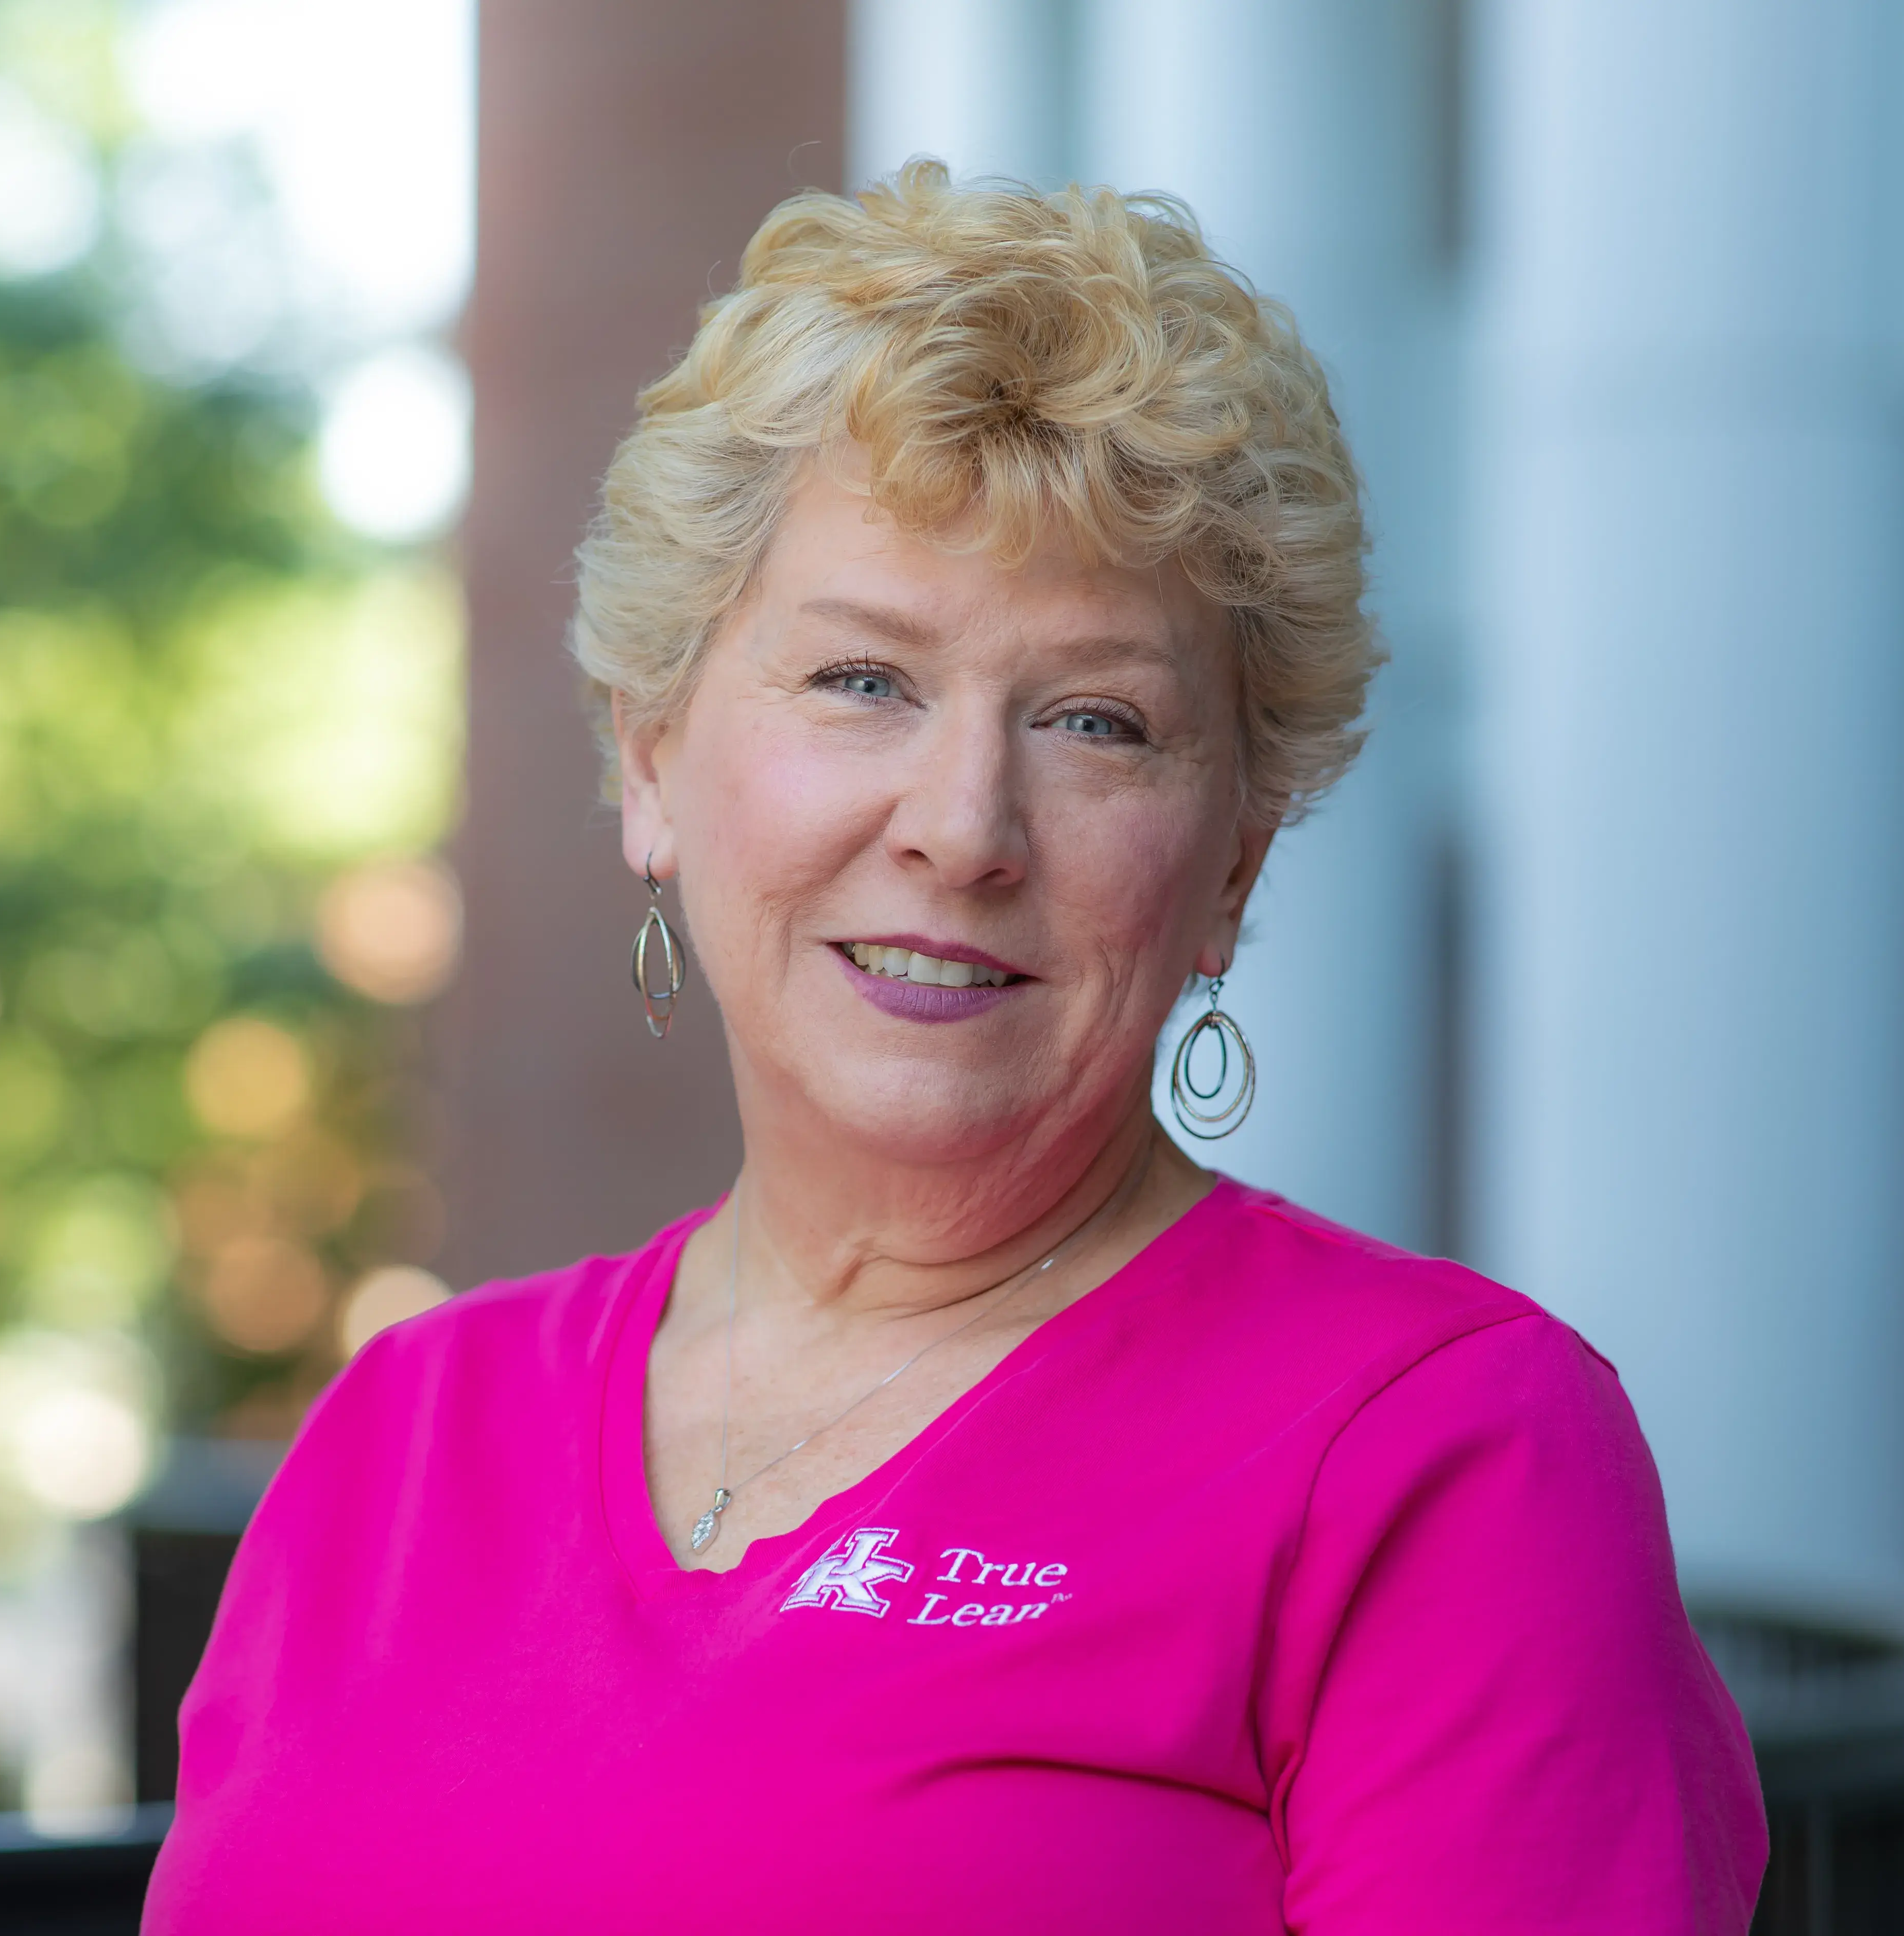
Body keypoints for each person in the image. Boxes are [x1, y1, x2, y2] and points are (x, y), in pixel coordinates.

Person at [144, 163, 1765, 1933]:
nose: (963, 824)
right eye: (864, 680)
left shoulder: (1443, 1458)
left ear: (1232, 862)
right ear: (656, 757)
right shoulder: (399, 1439)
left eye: (1096, 720)